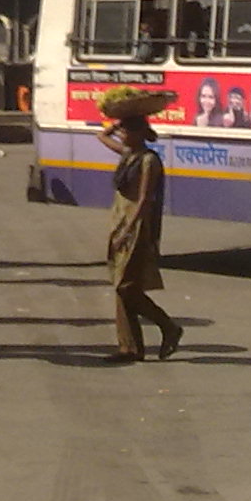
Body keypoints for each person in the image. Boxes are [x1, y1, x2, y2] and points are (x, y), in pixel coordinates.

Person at [101, 104, 182, 362]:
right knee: (122, 285)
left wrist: (129, 229)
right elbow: (100, 137)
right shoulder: (128, 154)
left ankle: (168, 325)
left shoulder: (148, 160)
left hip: (136, 228)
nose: (121, 135)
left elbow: (145, 199)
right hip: (120, 223)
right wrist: (117, 121)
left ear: (138, 133)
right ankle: (130, 347)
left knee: (126, 286)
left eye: (126, 131)